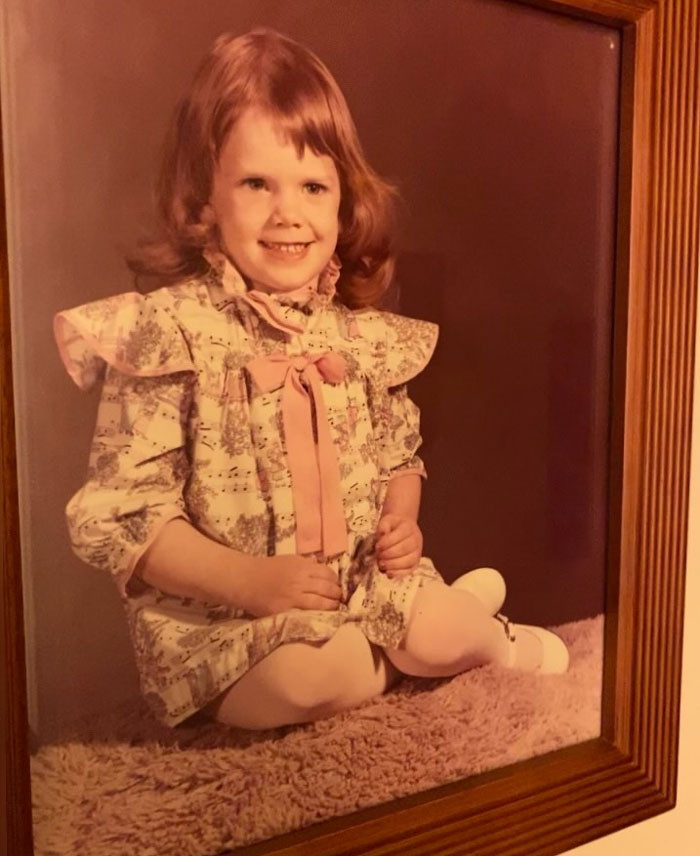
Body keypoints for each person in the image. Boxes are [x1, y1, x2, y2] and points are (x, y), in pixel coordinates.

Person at [54, 28, 569, 731]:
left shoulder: (356, 336)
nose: (288, 214)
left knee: (422, 630)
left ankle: (488, 640)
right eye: (256, 184)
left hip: (364, 585)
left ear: (341, 201)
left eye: (313, 187)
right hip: (228, 620)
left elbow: (398, 456)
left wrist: (401, 523)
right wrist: (251, 582)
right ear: (205, 197)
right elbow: (131, 517)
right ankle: (435, 639)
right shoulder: (167, 336)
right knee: (303, 683)